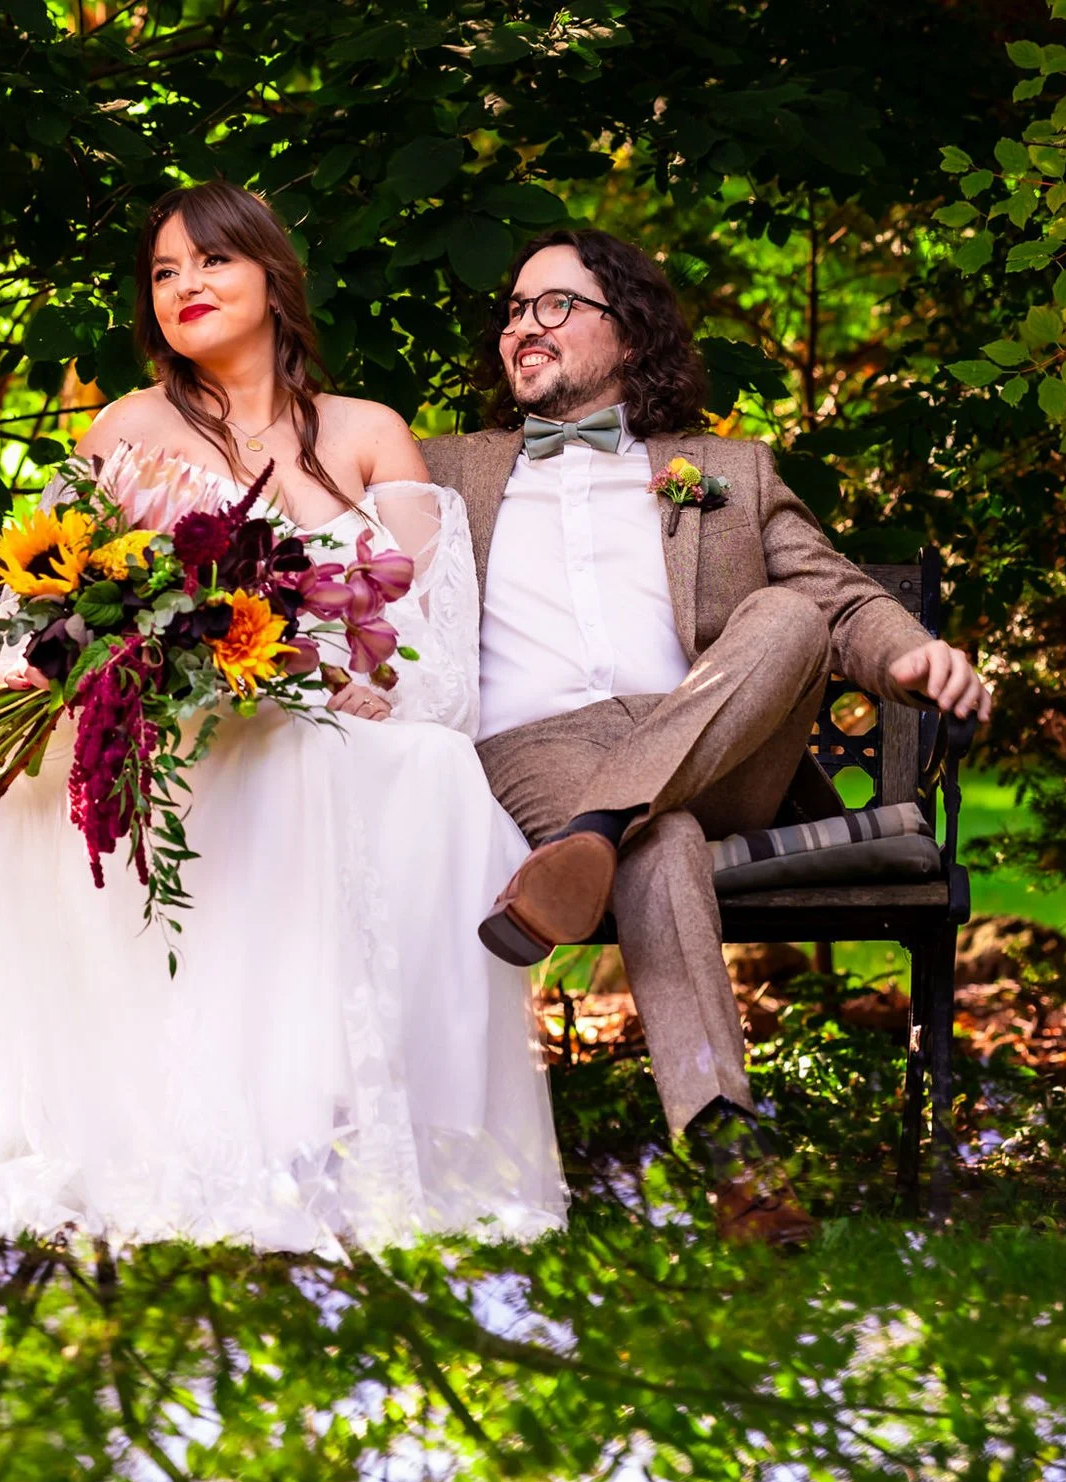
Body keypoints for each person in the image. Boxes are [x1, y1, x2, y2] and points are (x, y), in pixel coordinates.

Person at [0, 183, 563, 1254]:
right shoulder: (128, 428)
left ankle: (338, 1116)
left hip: (320, 721)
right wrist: (141, 660)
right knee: (267, 764)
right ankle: (223, 1122)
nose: (186, 285)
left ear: (273, 278)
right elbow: (60, 607)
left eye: (212, 262)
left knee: (424, 770)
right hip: (164, 730)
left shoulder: (368, 432)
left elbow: (420, 620)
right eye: (164, 272)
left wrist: (351, 678)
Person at [421, 230, 993, 1249]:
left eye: (553, 305)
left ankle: (596, 833)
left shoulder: (724, 467)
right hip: (539, 751)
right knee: (661, 840)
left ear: (628, 334)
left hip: (716, 741)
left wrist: (910, 656)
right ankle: (737, 1160)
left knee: (784, 618)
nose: (522, 326)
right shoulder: (447, 469)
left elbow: (838, 599)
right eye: (512, 310)